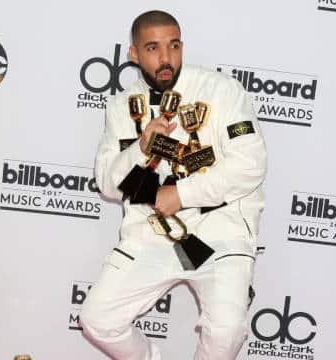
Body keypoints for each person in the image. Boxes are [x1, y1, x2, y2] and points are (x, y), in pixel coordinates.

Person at [80, 9, 267, 360]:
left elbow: (250, 164)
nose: (166, 59)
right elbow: (108, 183)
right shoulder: (122, 107)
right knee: (97, 320)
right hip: (153, 233)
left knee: (226, 330)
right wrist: (141, 147)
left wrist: (180, 194)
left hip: (220, 229)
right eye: (152, 48)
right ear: (134, 54)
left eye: (174, 46)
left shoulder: (221, 91)